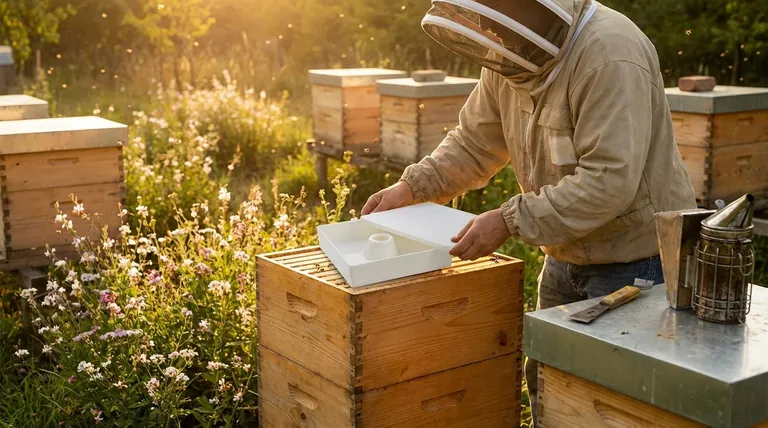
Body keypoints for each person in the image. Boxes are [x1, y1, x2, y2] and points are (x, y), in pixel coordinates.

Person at [360, 0, 698, 425]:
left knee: (613, 405)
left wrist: (509, 219)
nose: (493, 35)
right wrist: (413, 187)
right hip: (563, 256)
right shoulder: (508, 48)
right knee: (551, 391)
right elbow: (474, 143)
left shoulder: (610, 54)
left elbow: (609, 181)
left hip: (637, 262)